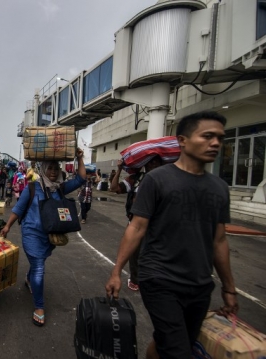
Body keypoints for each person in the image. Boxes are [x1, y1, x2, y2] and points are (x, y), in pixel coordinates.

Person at [105, 111, 239, 359]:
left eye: (220, 138)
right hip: (160, 279)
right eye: (207, 136)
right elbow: (136, 227)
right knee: (178, 351)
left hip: (199, 283)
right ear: (183, 141)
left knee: (176, 341)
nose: (215, 143)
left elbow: (219, 240)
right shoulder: (156, 180)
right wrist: (116, 272)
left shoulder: (219, 188)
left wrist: (229, 288)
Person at [0, 148, 87, 326]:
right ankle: (39, 307)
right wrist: (7, 226)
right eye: (50, 168)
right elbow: (18, 209)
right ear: (43, 169)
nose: (53, 172)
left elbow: (81, 179)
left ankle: (28, 279)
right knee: (39, 266)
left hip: (51, 235)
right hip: (31, 233)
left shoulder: (61, 187)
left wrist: (80, 158)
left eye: (56, 168)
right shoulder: (32, 187)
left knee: (38, 262)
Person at [109, 155, 163, 291]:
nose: (154, 165)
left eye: (157, 162)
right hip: (136, 222)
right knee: (134, 252)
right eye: (151, 162)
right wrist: (119, 169)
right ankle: (135, 279)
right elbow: (114, 188)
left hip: (158, 225)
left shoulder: (166, 180)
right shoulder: (136, 179)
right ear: (145, 164)